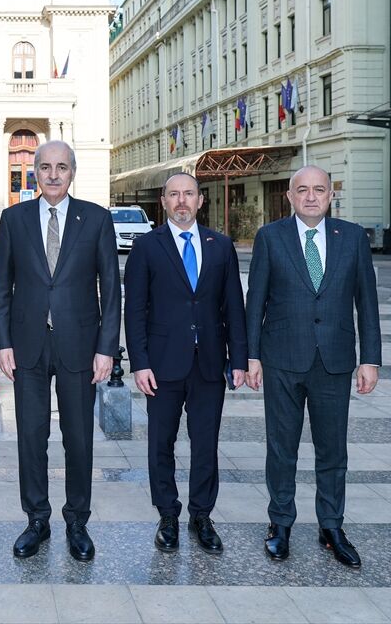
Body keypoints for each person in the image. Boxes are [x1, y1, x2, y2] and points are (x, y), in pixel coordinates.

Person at [244, 165, 381, 568]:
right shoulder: (271, 237)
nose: (310, 197)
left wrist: (370, 359)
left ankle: (331, 526)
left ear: (330, 195)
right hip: (282, 359)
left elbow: (367, 304)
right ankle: (280, 523)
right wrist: (251, 356)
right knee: (281, 448)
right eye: (302, 190)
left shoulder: (352, 238)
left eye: (318, 190)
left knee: (333, 450)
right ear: (289, 196)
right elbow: (257, 302)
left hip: (334, 362)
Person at [0, 140, 119, 562]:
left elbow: (111, 290)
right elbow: (1, 290)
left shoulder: (97, 220)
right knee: (31, 435)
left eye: (61, 167)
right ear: (35, 172)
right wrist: (3, 342)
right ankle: (37, 519)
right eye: (44, 167)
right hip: (27, 346)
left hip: (79, 346)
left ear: (72, 172)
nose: (52, 174)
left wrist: (106, 349)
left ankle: (77, 521)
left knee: (79, 438)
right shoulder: (14, 219)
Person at [124, 172, 247, 555]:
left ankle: (201, 516)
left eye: (188, 194)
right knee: (161, 443)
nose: (181, 201)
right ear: (163, 202)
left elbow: (234, 308)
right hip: (161, 365)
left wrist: (238, 359)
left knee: (205, 443)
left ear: (200, 200)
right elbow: (136, 310)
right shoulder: (147, 246)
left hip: (209, 363)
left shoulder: (221, 246)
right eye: (174, 195)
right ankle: (168, 515)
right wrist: (139, 362)